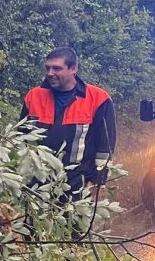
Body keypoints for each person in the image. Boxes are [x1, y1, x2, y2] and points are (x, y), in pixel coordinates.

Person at [20, 46, 116, 198]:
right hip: (38, 181)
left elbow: (105, 145)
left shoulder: (98, 99)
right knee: (34, 222)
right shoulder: (33, 96)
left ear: (73, 69)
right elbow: (21, 138)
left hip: (77, 182)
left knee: (73, 222)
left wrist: (98, 179)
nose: (50, 73)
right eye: (48, 68)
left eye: (57, 68)